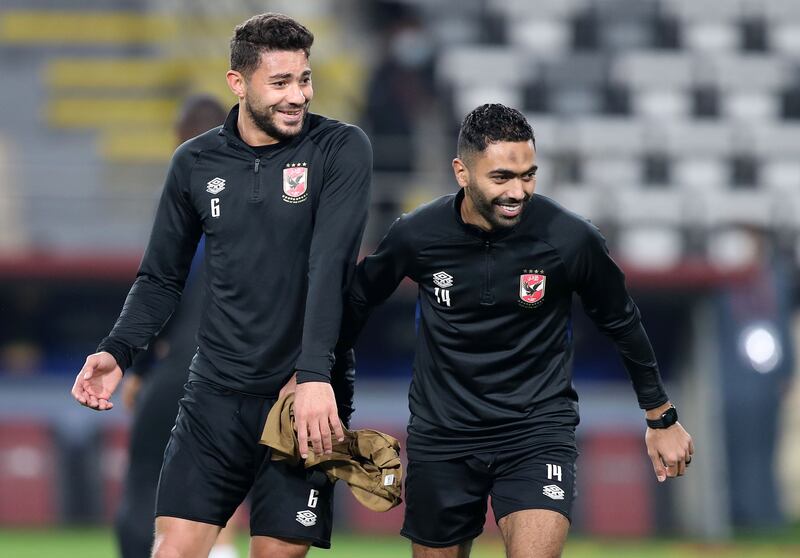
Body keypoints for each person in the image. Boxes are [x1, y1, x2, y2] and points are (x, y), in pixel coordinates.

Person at [71, 13, 371, 558]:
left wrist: (312, 377)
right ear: (239, 83)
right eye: (280, 83)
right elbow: (161, 276)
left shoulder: (340, 149)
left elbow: (330, 266)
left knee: (275, 553)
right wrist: (119, 350)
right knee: (173, 552)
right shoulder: (193, 162)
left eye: (304, 79)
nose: (297, 95)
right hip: (213, 393)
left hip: (299, 397)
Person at [337, 104, 693, 558]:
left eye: (528, 175)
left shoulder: (570, 238)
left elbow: (622, 321)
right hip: (443, 436)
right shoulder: (416, 234)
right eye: (502, 177)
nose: (518, 190)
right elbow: (356, 303)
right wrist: (318, 385)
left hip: (536, 431)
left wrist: (660, 416)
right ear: (461, 172)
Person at [114, 95, 243, 558]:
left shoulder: (187, 203)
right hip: (251, 372)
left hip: (184, 365)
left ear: (178, 142)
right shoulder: (260, 199)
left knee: (149, 484)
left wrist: (141, 367)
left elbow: (164, 292)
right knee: (219, 495)